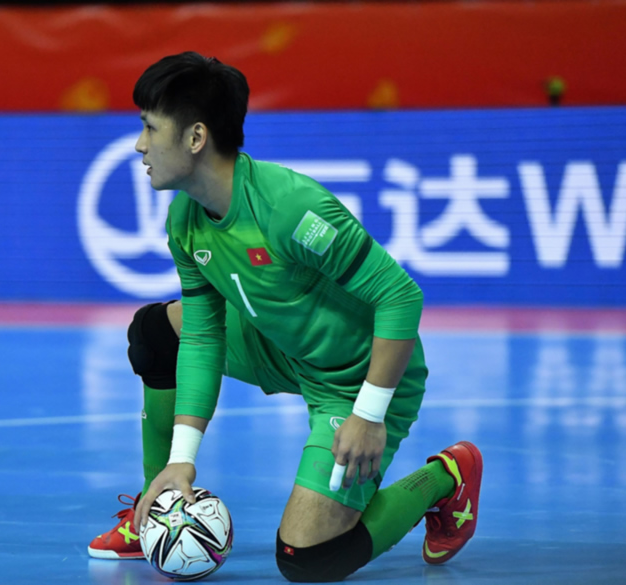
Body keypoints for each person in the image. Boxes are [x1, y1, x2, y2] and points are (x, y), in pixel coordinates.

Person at [87, 51, 483, 582]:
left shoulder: (289, 209)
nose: (140, 144)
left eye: (149, 127)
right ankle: (154, 506)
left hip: (355, 378)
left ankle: (447, 478)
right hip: (277, 344)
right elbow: (202, 336)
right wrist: (183, 458)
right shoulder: (185, 218)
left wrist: (369, 413)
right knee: (157, 333)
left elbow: (399, 296)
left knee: (309, 559)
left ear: (196, 137)